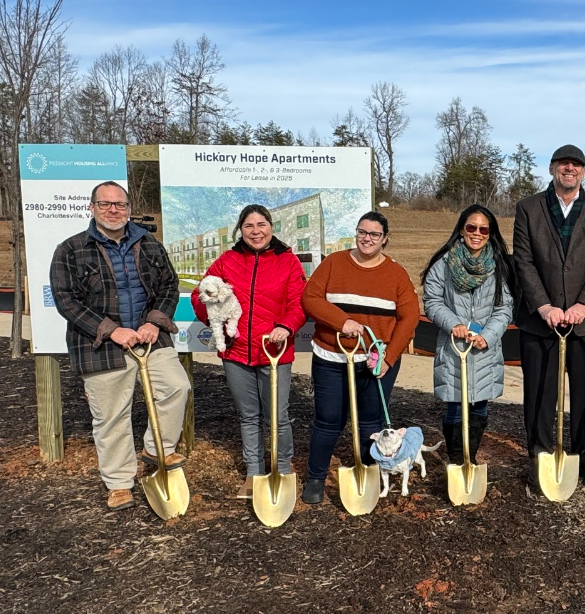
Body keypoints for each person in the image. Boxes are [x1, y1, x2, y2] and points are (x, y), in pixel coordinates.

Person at [49, 181, 191, 511]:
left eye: (120, 205)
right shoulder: (70, 249)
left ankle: (157, 448)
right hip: (101, 344)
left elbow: (169, 285)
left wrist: (154, 322)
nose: (113, 210)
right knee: (111, 417)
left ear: (129, 209)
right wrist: (112, 331)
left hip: (149, 338)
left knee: (177, 387)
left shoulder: (150, 244)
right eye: (105, 204)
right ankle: (119, 483)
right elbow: (65, 301)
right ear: (92, 208)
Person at [512, 144, 585, 488]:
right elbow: (523, 261)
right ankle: (541, 452)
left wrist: (584, 305)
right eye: (562, 164)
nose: (569, 169)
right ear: (552, 169)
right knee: (541, 391)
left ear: (583, 172)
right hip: (540, 321)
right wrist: (544, 306)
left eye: (575, 165)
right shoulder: (528, 208)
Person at [300, 211, 420, 504]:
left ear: (385, 239)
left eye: (375, 235)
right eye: (362, 232)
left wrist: (388, 358)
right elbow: (310, 298)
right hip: (332, 356)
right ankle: (315, 478)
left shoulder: (396, 274)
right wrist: (342, 322)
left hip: (374, 360)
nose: (367, 239)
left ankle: (370, 472)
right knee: (328, 419)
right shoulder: (333, 264)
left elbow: (410, 317)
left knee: (370, 422)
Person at [190, 204, 306, 499]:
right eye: (249, 226)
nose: (256, 231)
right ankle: (253, 473)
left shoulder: (288, 261)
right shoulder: (227, 260)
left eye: (262, 224)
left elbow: (298, 302)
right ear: (240, 230)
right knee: (249, 416)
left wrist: (286, 327)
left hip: (274, 350)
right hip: (236, 350)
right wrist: (213, 318)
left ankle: (283, 467)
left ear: (271, 227)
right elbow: (199, 293)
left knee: (277, 416)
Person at [422, 204, 516, 465]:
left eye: (483, 229)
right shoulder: (443, 264)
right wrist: (453, 324)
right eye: (471, 227)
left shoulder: (499, 266)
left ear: (490, 233)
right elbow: (432, 301)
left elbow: (505, 307)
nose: (477, 233)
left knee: (479, 405)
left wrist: (487, 335)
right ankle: (455, 460)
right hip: (455, 348)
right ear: (461, 230)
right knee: (455, 405)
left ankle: (469, 459)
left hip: (484, 349)